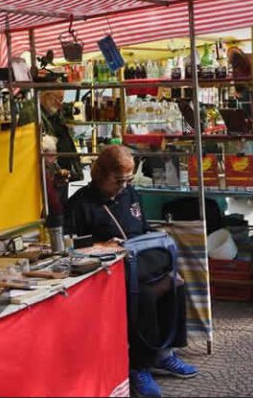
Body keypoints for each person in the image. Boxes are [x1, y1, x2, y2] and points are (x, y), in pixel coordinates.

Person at [64, 145, 198, 397]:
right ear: (100, 175)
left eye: (128, 180)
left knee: (176, 282)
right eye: (118, 181)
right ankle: (139, 364)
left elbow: (143, 228)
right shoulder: (80, 204)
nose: (124, 186)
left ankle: (164, 352)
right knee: (144, 296)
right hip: (110, 271)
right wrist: (100, 245)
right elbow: (71, 245)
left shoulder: (131, 194)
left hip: (142, 260)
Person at [40, 90, 82, 209]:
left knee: (60, 209)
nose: (60, 103)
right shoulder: (37, 114)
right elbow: (44, 147)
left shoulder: (54, 114)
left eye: (62, 100)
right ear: (47, 95)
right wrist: (55, 170)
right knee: (53, 211)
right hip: (51, 175)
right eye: (58, 99)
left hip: (61, 174)